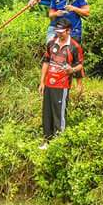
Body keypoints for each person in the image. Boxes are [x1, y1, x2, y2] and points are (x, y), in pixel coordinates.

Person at [39, 18, 84, 149]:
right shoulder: (51, 43)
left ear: (68, 31)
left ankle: (60, 143)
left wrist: (74, 74)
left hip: (62, 84)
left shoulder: (75, 47)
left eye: (62, 31)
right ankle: (47, 141)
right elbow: (46, 62)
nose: (59, 33)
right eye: (57, 31)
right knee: (47, 113)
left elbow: (79, 65)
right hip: (49, 83)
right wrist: (42, 82)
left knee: (59, 114)